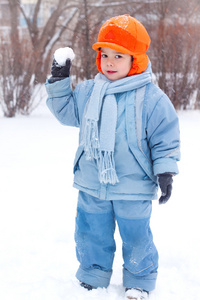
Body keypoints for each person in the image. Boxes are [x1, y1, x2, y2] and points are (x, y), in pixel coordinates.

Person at [45, 14, 180, 300]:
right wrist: (59, 82)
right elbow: (67, 114)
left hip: (133, 185)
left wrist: (165, 171)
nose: (109, 62)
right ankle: (93, 274)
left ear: (136, 59)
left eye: (118, 56)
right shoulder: (88, 91)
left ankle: (140, 279)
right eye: (105, 54)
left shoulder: (152, 98)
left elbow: (164, 137)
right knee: (91, 231)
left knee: (136, 235)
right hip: (93, 181)